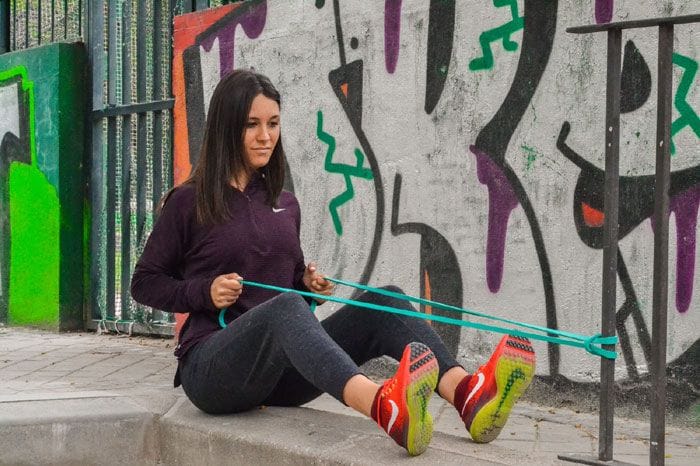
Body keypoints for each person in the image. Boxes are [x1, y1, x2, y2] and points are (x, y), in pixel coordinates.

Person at [130, 69, 535, 456]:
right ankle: (384, 407)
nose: (265, 136)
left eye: (273, 123)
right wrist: (203, 291)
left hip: (278, 377)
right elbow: (144, 282)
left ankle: (468, 396)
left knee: (385, 301)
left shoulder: (283, 203)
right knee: (285, 309)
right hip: (213, 370)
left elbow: (283, 285)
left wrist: (308, 286)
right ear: (225, 128)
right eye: (252, 124)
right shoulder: (190, 201)